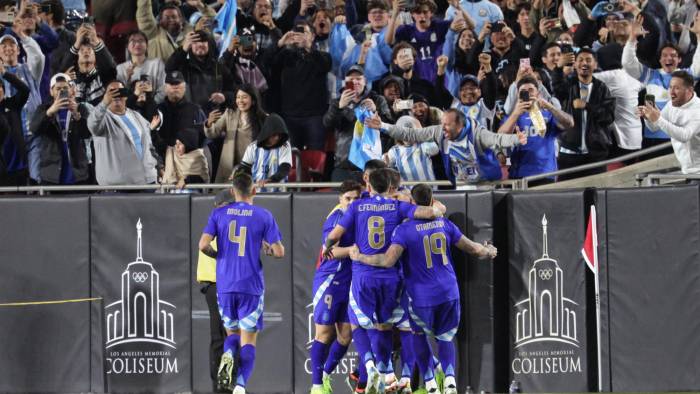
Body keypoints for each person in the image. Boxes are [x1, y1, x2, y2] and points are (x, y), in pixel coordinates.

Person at [349, 183, 497, 394]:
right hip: (448, 292)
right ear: (431, 200)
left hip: (421, 297)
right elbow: (473, 249)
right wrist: (489, 250)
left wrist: (360, 257)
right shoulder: (444, 225)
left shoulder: (404, 230)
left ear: (412, 204)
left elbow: (387, 260)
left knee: (417, 335)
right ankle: (450, 381)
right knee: (445, 337)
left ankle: (429, 383)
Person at [322, 168, 445, 394]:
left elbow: (335, 234)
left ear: (368, 187)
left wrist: (327, 246)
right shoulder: (398, 206)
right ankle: (394, 375)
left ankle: (377, 369)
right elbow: (427, 213)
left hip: (363, 276)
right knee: (388, 326)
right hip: (392, 278)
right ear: (390, 187)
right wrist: (439, 208)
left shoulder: (358, 206)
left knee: (357, 321)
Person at [198, 172, 285, 394]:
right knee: (249, 340)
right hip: (251, 285)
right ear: (253, 190)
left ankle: (228, 355)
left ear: (233, 190)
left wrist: (219, 256)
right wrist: (267, 249)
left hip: (225, 284)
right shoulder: (263, 215)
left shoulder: (219, 214)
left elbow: (203, 245)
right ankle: (240, 385)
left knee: (232, 335)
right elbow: (279, 251)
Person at [365, 109, 527, 185]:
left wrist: (516, 139)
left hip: (485, 183)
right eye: (442, 124)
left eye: (448, 125)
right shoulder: (438, 132)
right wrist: (383, 126)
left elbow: (497, 139)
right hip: (460, 183)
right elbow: (411, 135)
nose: (443, 128)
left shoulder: (477, 134)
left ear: (460, 126)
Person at [309, 180, 363, 394]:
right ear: (340, 199)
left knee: (345, 336)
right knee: (324, 334)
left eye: (355, 199)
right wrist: (353, 250)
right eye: (347, 198)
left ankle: (325, 375)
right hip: (330, 281)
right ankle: (316, 386)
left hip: (351, 282)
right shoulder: (336, 219)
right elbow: (328, 251)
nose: (351, 202)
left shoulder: (361, 215)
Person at [622, 13, 700, 153]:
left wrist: (699, 36)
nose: (668, 58)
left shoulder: (687, 76)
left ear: (679, 60)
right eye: (664, 55)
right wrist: (632, 38)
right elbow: (627, 64)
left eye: (673, 55)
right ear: (660, 60)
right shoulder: (650, 75)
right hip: (653, 139)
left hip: (680, 140)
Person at [552, 48, 616, 179]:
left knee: (595, 196)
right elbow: (557, 87)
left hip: (595, 155)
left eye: (588, 60)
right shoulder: (568, 86)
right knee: (568, 195)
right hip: (569, 154)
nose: (584, 63)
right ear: (575, 65)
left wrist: (587, 106)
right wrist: (558, 69)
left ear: (595, 65)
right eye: (580, 60)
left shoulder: (602, 88)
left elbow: (608, 117)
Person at [196, 189, 236, 393]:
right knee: (227, 337)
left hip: (217, 286)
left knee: (221, 338)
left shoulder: (215, 222)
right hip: (219, 286)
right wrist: (222, 257)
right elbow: (204, 247)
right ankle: (224, 387)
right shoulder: (222, 223)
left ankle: (224, 386)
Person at [323, 64, 392, 182]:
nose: (355, 82)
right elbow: (328, 125)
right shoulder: (337, 102)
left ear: (365, 81)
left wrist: (376, 111)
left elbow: (390, 129)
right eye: (351, 79)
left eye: (359, 79)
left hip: (372, 165)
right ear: (345, 82)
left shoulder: (378, 100)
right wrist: (339, 108)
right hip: (344, 164)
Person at [498, 75, 573, 181]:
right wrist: (516, 113)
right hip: (518, 174)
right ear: (518, 95)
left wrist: (550, 106)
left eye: (531, 90)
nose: (527, 93)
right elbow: (500, 137)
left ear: (538, 93)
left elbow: (569, 123)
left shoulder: (548, 114)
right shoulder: (512, 116)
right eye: (523, 91)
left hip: (544, 173)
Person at [86, 81, 160, 186]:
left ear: (125, 95)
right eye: (111, 92)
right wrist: (103, 103)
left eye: (120, 92)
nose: (116, 95)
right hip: (117, 186)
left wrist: (159, 167)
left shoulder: (137, 116)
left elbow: (149, 146)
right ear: (105, 96)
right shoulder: (103, 119)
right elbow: (92, 124)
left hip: (147, 181)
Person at [272, 22, 331, 150]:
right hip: (290, 116)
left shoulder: (322, 56)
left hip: (315, 117)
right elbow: (267, 64)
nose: (300, 36)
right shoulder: (286, 56)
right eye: (297, 32)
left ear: (313, 36)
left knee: (315, 160)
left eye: (304, 32)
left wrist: (308, 47)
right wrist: (280, 43)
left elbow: (325, 66)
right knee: (291, 160)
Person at [30, 73, 91, 185]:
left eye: (65, 88)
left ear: (71, 90)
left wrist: (77, 115)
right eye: (58, 88)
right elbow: (34, 129)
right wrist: (50, 112)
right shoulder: (43, 109)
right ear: (51, 91)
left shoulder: (81, 108)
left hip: (77, 173)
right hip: (51, 174)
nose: (61, 91)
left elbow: (87, 134)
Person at [639, 70, 700, 174]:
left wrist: (658, 118)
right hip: (687, 170)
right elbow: (654, 127)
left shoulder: (697, 110)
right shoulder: (671, 105)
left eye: (676, 88)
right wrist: (648, 118)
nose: (671, 92)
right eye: (670, 87)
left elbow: (684, 136)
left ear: (689, 90)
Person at [205, 84, 268, 183]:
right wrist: (209, 123)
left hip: (254, 168)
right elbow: (213, 133)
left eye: (244, 97)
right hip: (230, 168)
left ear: (253, 100)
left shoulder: (264, 118)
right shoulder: (229, 114)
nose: (240, 101)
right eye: (238, 97)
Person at [165, 30, 238, 109]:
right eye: (195, 42)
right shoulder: (183, 66)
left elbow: (234, 92)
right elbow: (169, 69)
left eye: (203, 41)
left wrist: (224, 96)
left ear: (210, 44)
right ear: (190, 46)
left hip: (215, 118)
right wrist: (183, 48)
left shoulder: (220, 68)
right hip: (190, 116)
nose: (199, 45)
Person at [136, 0, 216, 62]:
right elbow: (144, 14)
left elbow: (212, 20)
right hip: (158, 80)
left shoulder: (194, 32)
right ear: (160, 20)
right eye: (167, 17)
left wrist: (199, 5)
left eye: (174, 17)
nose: (171, 20)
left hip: (187, 78)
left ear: (181, 19)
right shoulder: (152, 33)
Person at [152, 71, 207, 160]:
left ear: (184, 87)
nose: (175, 87)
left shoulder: (195, 110)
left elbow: (205, 137)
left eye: (178, 83)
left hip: (189, 161)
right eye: (171, 84)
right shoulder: (157, 110)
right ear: (165, 88)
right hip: (164, 160)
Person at [61, 24, 116, 105]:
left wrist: (95, 40)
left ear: (96, 55)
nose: (86, 52)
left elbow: (110, 67)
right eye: (82, 49)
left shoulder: (103, 76)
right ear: (77, 55)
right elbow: (63, 68)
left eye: (90, 49)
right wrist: (77, 43)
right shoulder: (69, 77)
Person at [237, 113, 292, 191]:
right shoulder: (252, 147)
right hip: (255, 192)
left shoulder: (284, 146)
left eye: (279, 135)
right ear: (267, 133)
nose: (277, 138)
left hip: (279, 193)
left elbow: (284, 169)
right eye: (274, 135)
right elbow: (244, 168)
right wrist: (238, 175)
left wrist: (271, 180)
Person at [384, 115, 439, 183]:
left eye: (411, 132)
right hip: (408, 190)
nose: (407, 136)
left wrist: (422, 136)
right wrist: (386, 164)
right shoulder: (394, 151)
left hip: (428, 188)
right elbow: (388, 165)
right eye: (403, 133)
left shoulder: (423, 145)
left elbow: (435, 150)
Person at [116, 30, 166, 103]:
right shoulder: (120, 68)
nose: (137, 44)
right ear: (127, 46)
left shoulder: (157, 63)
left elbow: (163, 90)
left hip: (153, 106)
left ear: (147, 45)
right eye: (133, 41)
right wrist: (128, 78)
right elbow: (120, 95)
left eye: (141, 40)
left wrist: (151, 105)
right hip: (129, 108)